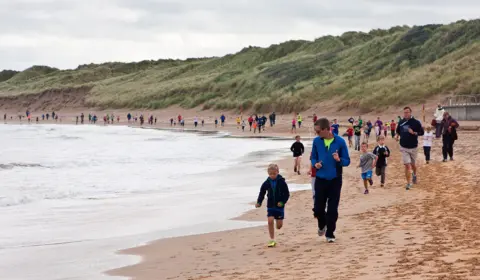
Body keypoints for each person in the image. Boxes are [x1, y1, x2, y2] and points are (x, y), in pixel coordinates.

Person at [311, 118, 351, 243]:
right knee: (318, 208)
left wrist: (339, 160)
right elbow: (313, 157)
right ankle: (322, 224)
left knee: (332, 209)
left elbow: (347, 161)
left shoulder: (340, 141)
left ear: (326, 130)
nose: (316, 134)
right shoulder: (317, 141)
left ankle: (330, 233)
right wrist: (315, 164)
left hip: (335, 179)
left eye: (318, 131)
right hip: (320, 179)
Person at [255, 164, 290, 248]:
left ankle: (278, 222)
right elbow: (262, 193)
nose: (272, 175)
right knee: (270, 220)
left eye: (274, 173)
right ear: (268, 173)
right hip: (270, 206)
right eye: (270, 174)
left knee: (279, 226)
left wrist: (282, 202)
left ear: (277, 172)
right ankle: (272, 239)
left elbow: (287, 194)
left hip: (279, 207)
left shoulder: (282, 182)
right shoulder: (266, 183)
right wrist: (259, 202)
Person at [396, 107, 424, 190]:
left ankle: (414, 174)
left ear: (411, 112)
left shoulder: (416, 122)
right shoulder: (401, 122)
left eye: (407, 112)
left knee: (413, 165)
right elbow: (398, 131)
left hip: (413, 147)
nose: (406, 114)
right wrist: (397, 136)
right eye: (404, 112)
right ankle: (408, 183)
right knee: (407, 165)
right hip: (404, 147)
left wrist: (414, 132)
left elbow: (422, 132)